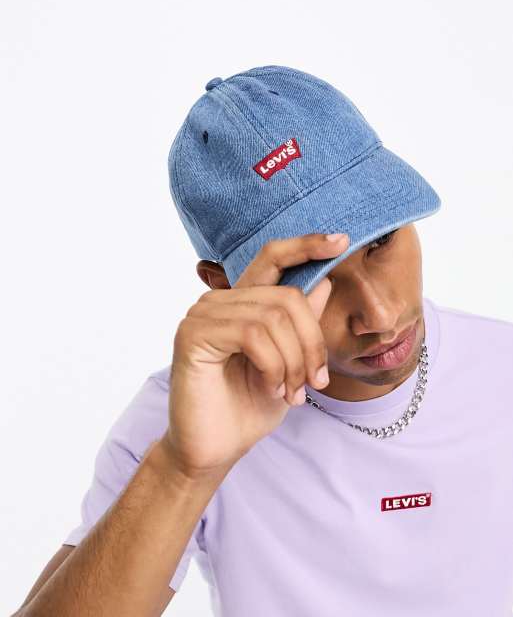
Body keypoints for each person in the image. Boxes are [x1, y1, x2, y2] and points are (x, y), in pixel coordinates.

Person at [12, 66, 513, 617]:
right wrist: (183, 470)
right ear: (226, 286)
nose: (379, 313)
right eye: (316, 277)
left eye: (381, 241)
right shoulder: (181, 418)